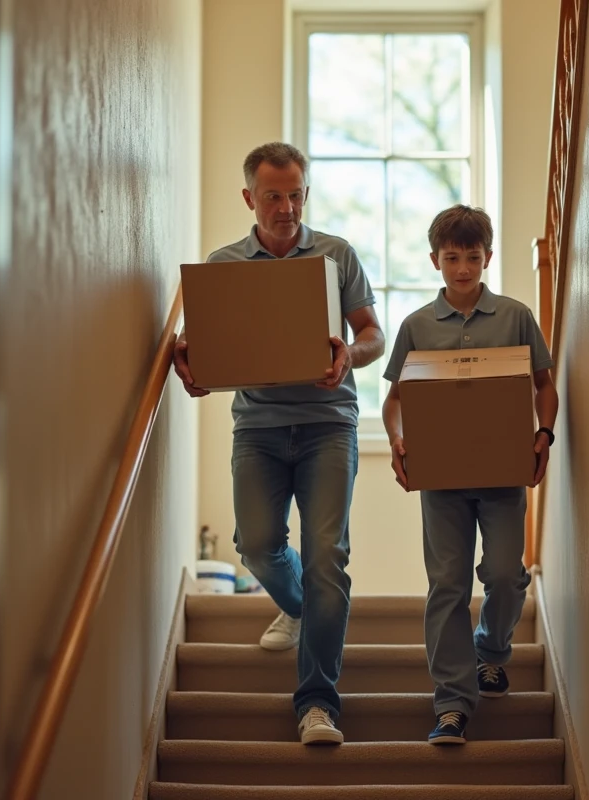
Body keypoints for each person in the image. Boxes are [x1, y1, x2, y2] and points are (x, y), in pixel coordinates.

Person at [172, 142, 385, 745]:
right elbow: (200, 345)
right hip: (258, 429)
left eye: (296, 194)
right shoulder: (224, 262)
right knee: (258, 545)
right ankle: (297, 608)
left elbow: (371, 334)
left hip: (328, 425)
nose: (287, 207)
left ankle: (318, 703)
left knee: (327, 557)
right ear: (250, 198)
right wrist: (191, 362)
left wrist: (350, 355)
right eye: (274, 197)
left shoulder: (337, 254)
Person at [380, 205, 559, 745]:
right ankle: (453, 704)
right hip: (440, 481)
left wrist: (543, 435)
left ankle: (492, 651)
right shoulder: (416, 326)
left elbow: (543, 385)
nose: (462, 268)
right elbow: (393, 401)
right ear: (435, 259)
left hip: (504, 473)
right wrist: (396, 442)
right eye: (452, 258)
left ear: (487, 257)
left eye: (473, 257)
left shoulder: (515, 316)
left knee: (506, 575)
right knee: (447, 586)